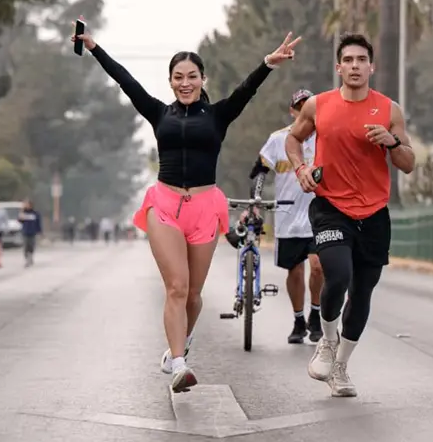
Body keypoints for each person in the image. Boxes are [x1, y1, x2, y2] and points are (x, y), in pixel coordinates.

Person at [72, 23, 301, 393]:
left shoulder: (218, 115)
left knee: (194, 294)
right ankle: (179, 364)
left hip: (205, 206)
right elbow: (125, 80)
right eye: (178, 77)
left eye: (191, 76)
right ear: (170, 81)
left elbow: (247, 90)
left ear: (202, 78)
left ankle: (179, 344)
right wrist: (94, 47)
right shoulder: (159, 113)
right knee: (176, 287)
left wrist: (268, 63)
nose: (185, 82)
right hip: (164, 204)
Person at [285, 34, 415, 397]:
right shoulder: (318, 105)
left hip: (374, 212)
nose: (355, 66)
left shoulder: (389, 110)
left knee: (362, 293)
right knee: (336, 274)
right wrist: (300, 169)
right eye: (348, 60)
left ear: (371, 67)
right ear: (338, 67)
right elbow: (293, 140)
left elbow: (408, 162)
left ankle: (340, 367)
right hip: (331, 207)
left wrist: (391, 142)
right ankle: (327, 341)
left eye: (362, 60)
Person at [251, 88, 324, 344]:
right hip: (287, 216)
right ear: (293, 111)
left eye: (309, 105)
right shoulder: (278, 139)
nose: (304, 109)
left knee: (318, 266)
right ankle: (298, 319)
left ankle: (316, 315)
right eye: (300, 106)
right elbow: (260, 170)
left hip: (319, 214)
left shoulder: (326, 136)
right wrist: (256, 202)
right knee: (294, 272)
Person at [18, 199, 42, 267]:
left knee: (32, 246)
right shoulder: (23, 213)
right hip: (25, 232)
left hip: (33, 232)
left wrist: (39, 231)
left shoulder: (35, 213)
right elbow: (19, 220)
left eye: (29, 204)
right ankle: (27, 259)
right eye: (26, 205)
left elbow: (38, 223)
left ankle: (30, 256)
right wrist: (22, 211)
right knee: (25, 246)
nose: (28, 206)